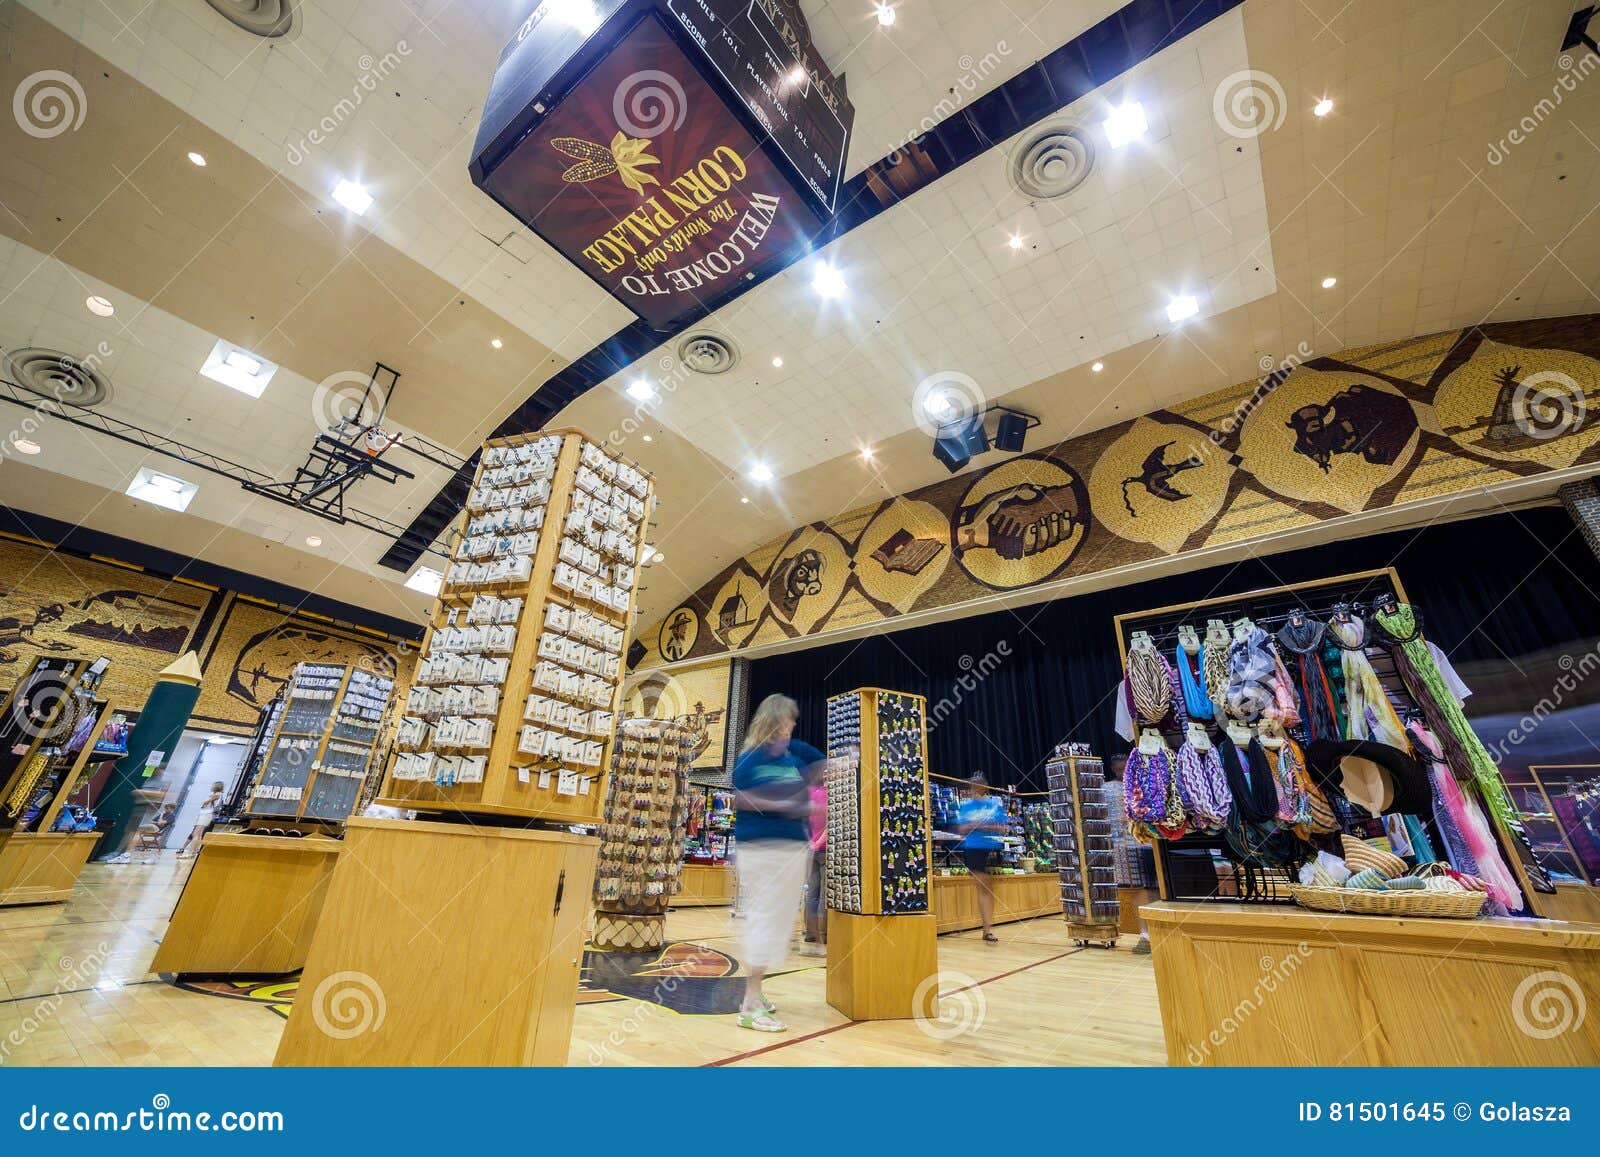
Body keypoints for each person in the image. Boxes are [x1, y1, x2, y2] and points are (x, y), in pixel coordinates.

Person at [730, 693, 825, 1032]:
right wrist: (794, 807)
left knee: (779, 921)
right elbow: (742, 799)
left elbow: (820, 764)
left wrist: (843, 760)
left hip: (791, 849)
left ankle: (758, 991)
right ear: (773, 720)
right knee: (766, 918)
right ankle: (750, 1004)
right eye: (788, 719)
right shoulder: (750, 759)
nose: (792, 725)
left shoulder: (793, 754)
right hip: (763, 848)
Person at [957, 773, 1009, 942]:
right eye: (973, 786)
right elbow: (961, 829)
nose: (976, 789)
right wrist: (973, 824)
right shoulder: (966, 807)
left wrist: (986, 825)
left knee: (988, 888)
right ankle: (987, 929)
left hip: (992, 848)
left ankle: (987, 929)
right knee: (984, 886)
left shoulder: (995, 806)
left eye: (978, 786)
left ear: (984, 787)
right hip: (974, 849)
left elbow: (1003, 829)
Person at [799, 778, 827, 955]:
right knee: (824, 894)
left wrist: (811, 842)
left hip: (810, 849)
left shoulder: (813, 795)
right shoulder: (833, 796)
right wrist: (819, 843)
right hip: (824, 850)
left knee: (811, 893)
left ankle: (810, 933)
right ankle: (823, 934)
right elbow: (831, 825)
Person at [177, 781, 225, 859]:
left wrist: (205, 802)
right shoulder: (216, 794)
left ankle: (191, 852)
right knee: (198, 834)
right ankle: (193, 852)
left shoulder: (217, 794)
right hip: (204, 814)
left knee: (196, 833)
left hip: (206, 814)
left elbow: (205, 803)